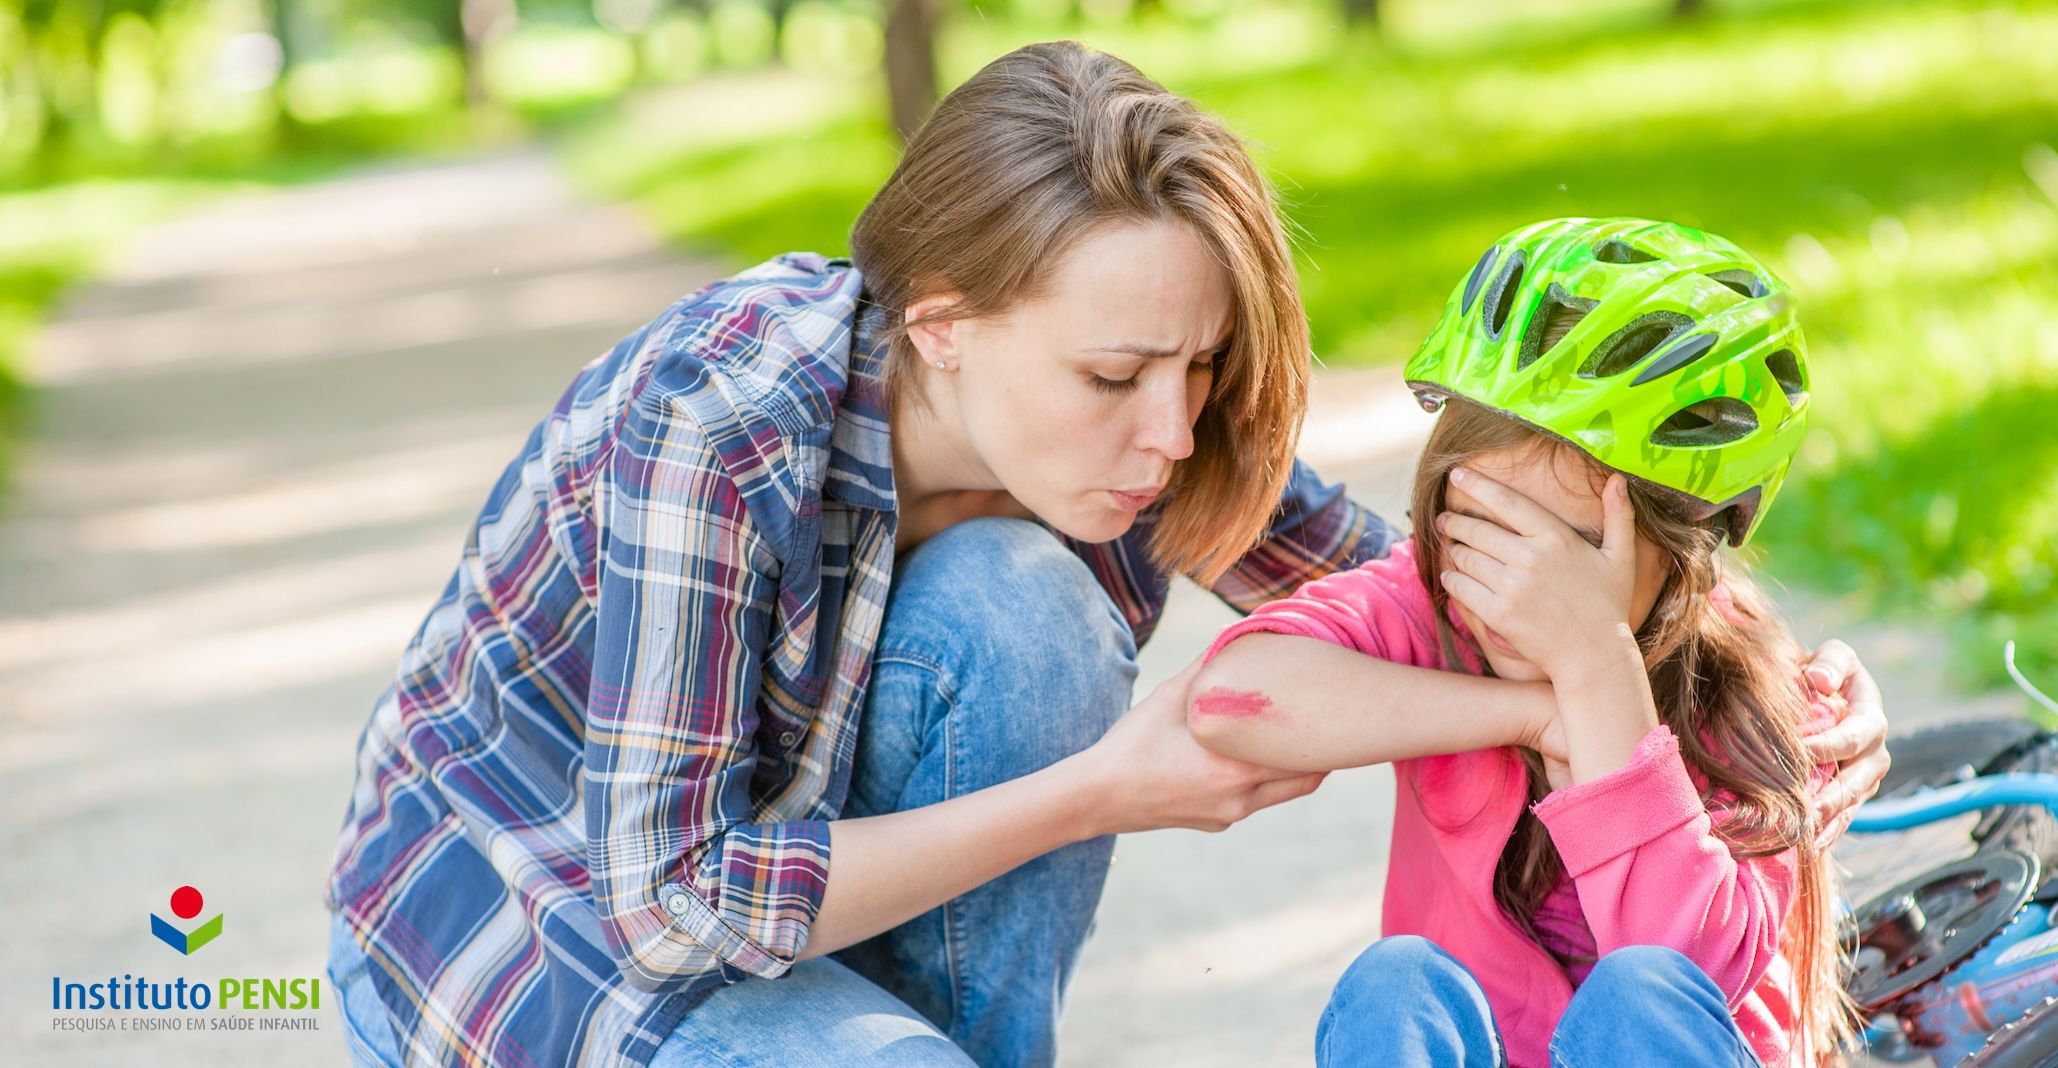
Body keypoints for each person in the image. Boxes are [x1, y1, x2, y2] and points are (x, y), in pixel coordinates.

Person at [323, 45, 1891, 1068]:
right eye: (1117, 376)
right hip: (543, 922)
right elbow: (672, 902)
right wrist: (1100, 789)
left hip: (774, 892)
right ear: (942, 324)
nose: (1173, 432)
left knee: (1021, 600)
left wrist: (1732, 667)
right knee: (1026, 616)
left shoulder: (1129, 419)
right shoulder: (713, 427)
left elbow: (1446, 583)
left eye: (1200, 369)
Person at [1189, 217, 1858, 1068]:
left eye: (1572, 549)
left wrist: (1596, 667)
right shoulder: (1430, 603)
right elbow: (1229, 703)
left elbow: (1689, 974)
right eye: (1487, 531)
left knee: (1639, 990)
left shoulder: (1750, 686)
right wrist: (1536, 714)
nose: (1521, 589)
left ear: (1679, 546)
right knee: (1396, 983)